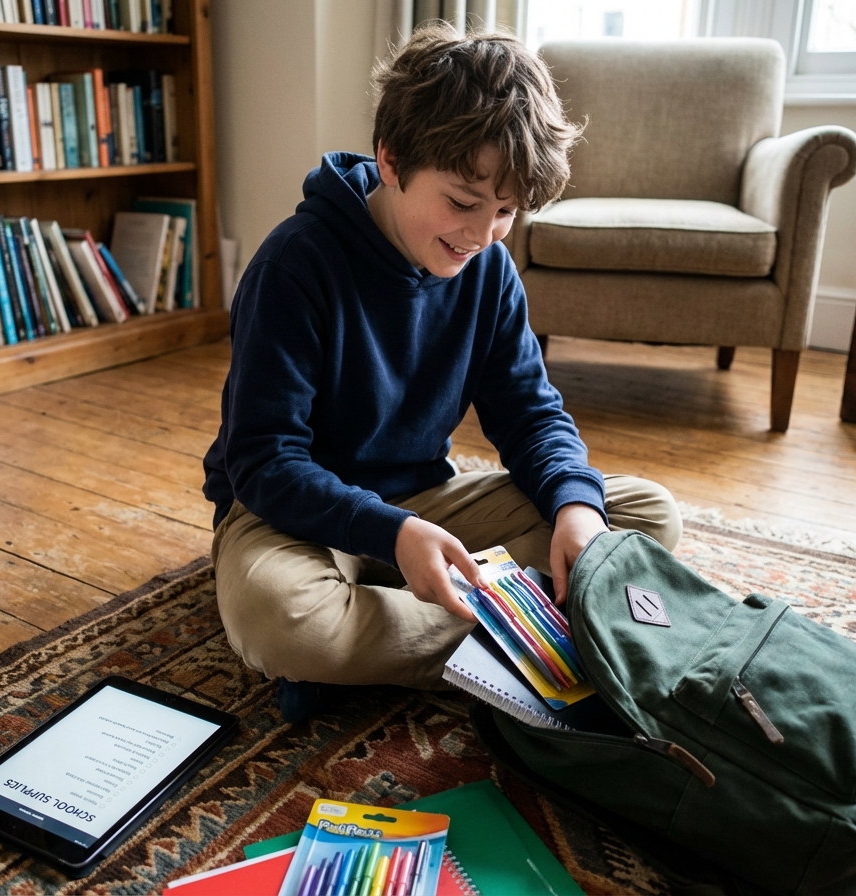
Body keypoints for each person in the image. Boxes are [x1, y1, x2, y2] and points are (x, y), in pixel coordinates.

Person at [202, 22, 681, 722]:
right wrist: (391, 533)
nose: (482, 234)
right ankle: (526, 637)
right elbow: (264, 461)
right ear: (391, 159)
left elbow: (530, 411)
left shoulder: (487, 267)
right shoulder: (293, 266)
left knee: (642, 516)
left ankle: (379, 649)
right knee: (283, 620)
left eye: (507, 212)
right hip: (293, 515)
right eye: (462, 202)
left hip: (423, 500)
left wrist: (576, 508)